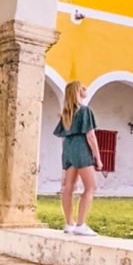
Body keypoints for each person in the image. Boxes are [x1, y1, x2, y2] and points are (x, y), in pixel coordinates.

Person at [54, 81, 103, 235]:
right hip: (81, 148)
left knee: (68, 187)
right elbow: (91, 136)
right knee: (91, 187)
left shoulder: (66, 114)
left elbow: (63, 136)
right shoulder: (84, 111)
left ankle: (69, 224)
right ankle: (81, 224)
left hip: (68, 148)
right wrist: (98, 157)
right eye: (82, 87)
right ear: (77, 91)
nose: (85, 89)